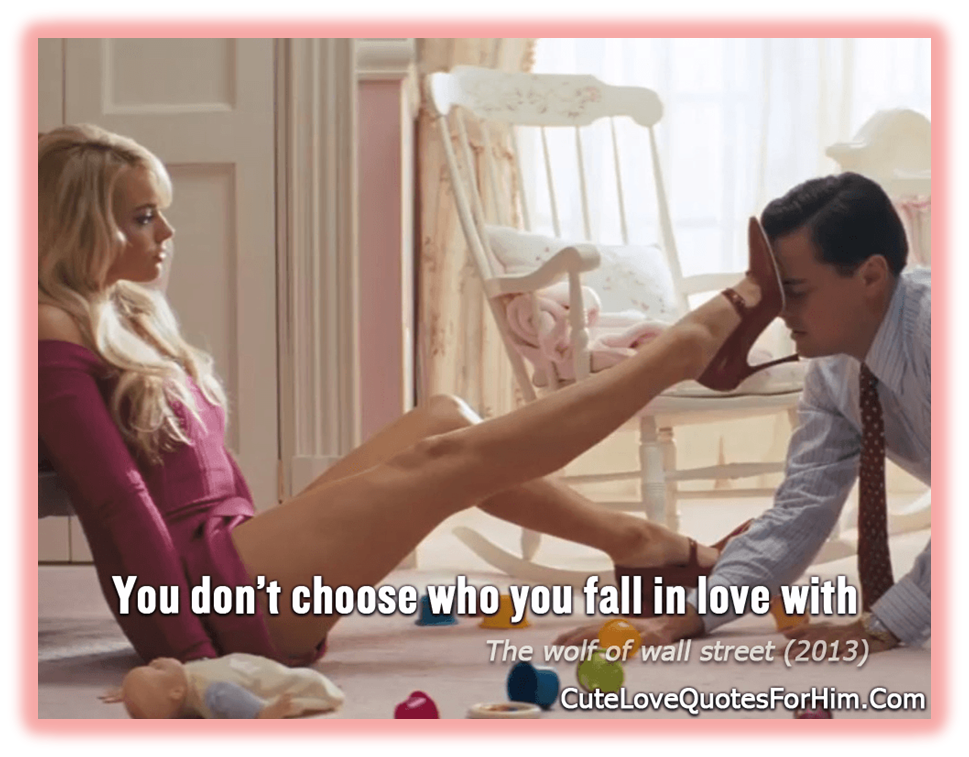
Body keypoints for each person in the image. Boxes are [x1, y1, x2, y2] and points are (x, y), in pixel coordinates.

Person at [38, 123, 780, 669]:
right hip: (204, 600)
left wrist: (287, 536)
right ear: (78, 227)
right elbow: (117, 503)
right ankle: (693, 344)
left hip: (234, 553)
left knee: (443, 418)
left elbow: (212, 475)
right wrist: (194, 655)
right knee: (444, 460)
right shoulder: (50, 330)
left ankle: (642, 547)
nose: (167, 231)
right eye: (143, 217)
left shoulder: (128, 313)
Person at [556, 172, 931, 654]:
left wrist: (884, 625)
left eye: (794, 290)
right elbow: (801, 509)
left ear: (871, 277)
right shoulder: (832, 372)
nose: (778, 311)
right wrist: (688, 616)